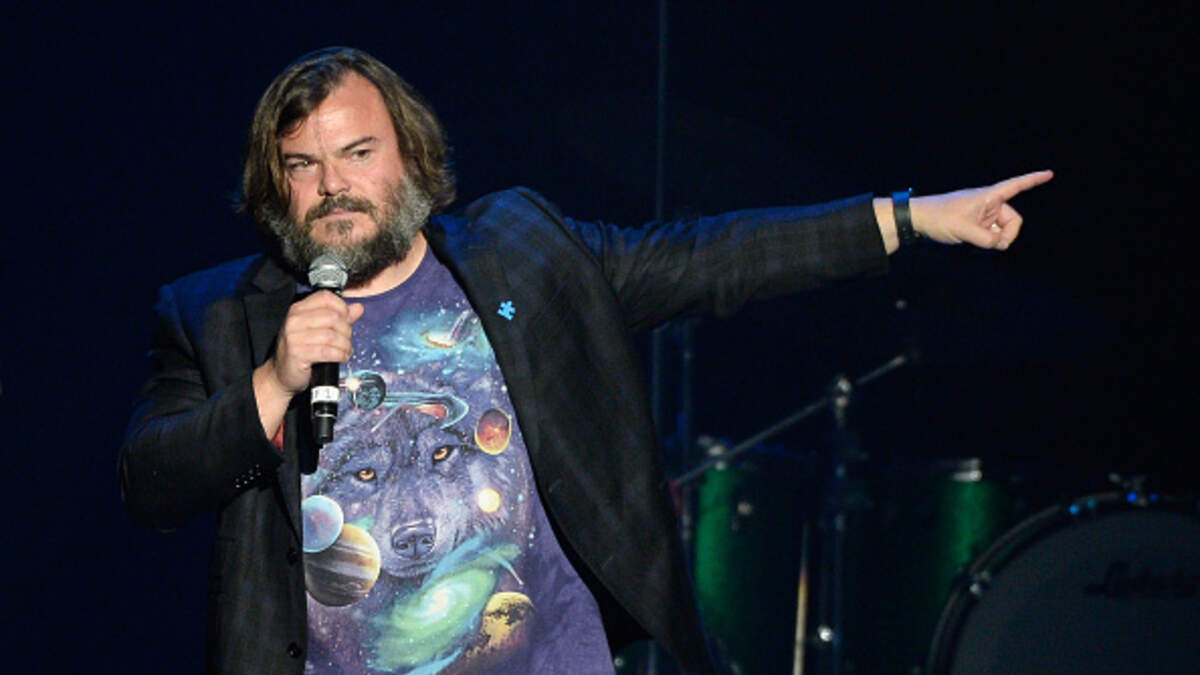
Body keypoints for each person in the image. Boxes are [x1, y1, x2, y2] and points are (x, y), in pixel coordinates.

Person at [119, 46, 1052, 675]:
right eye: (303, 165)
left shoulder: (521, 253)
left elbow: (711, 257)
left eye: (357, 153)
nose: (333, 187)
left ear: (409, 155)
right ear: (276, 183)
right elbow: (151, 482)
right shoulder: (216, 314)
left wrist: (913, 217)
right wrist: (273, 383)